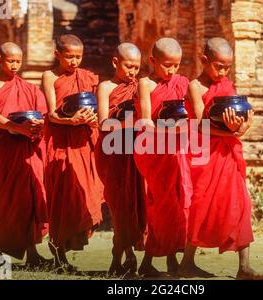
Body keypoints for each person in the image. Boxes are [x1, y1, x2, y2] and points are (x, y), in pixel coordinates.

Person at [179, 37, 263, 280]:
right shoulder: (194, 86)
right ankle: (187, 262)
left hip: (228, 153)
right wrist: (233, 130)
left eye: (227, 67)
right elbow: (198, 124)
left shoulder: (227, 85)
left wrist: (241, 127)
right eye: (219, 66)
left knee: (240, 203)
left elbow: (238, 118)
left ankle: (244, 266)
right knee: (201, 204)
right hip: (204, 154)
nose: (223, 72)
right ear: (204, 60)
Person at [0, 42, 50, 268]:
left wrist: (36, 125)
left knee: (29, 199)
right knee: (2, 201)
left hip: (27, 150)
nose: (15, 65)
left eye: (18, 61)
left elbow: (44, 117)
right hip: (4, 149)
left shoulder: (31, 89)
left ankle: (33, 254)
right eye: (10, 61)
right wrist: (20, 128)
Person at [41, 34, 103, 272]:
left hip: (84, 142)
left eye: (78, 57)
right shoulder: (50, 76)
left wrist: (92, 120)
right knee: (63, 196)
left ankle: (64, 250)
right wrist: (72, 121)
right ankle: (59, 254)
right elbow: (52, 114)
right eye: (69, 57)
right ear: (58, 55)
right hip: (60, 141)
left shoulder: (87, 77)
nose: (74, 62)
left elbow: (97, 109)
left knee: (88, 194)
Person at [133, 37, 192, 277]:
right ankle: (148, 261)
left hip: (178, 147)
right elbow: (146, 121)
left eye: (176, 65)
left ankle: (170, 258)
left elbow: (192, 113)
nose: (172, 70)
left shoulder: (183, 82)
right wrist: (171, 130)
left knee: (178, 202)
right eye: (167, 65)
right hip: (153, 148)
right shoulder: (144, 84)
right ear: (152, 61)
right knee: (161, 204)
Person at [95, 43, 147, 277]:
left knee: (136, 204)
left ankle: (122, 259)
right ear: (115, 62)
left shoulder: (140, 87)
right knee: (120, 206)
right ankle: (125, 257)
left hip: (137, 150)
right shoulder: (105, 88)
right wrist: (128, 120)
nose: (133, 72)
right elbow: (103, 123)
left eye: (137, 67)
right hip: (113, 150)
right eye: (128, 66)